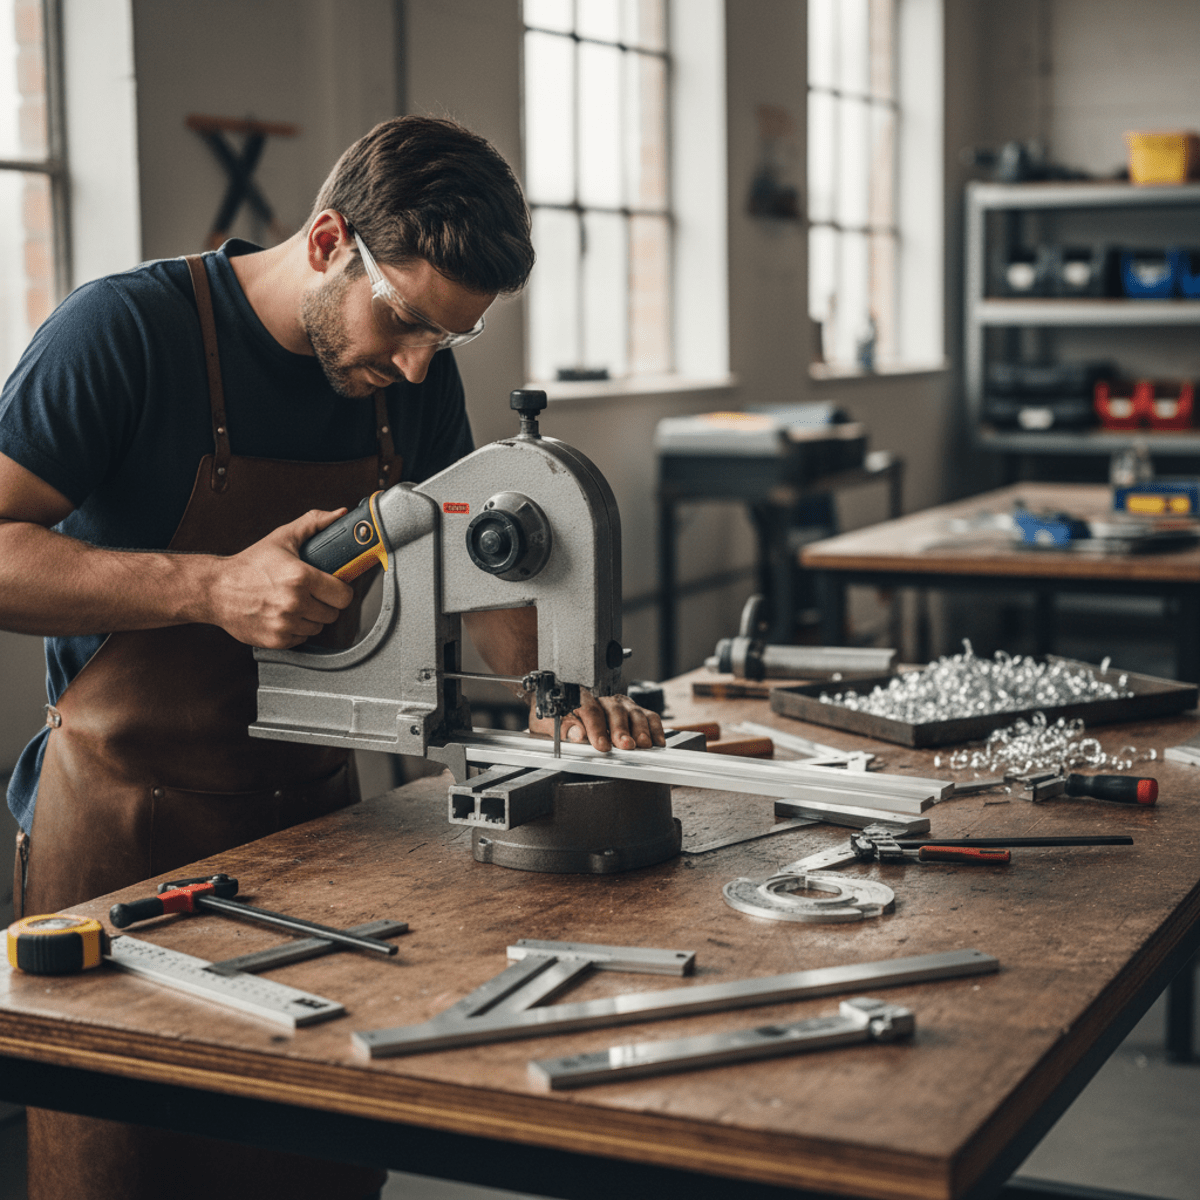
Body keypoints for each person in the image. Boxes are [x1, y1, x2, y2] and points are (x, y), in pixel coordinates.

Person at [0, 115, 663, 1200]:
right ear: (325, 243)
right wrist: (209, 587)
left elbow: (484, 576)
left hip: (316, 831)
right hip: (118, 835)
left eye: (443, 343)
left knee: (314, 1165)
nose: (413, 363)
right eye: (401, 319)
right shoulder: (122, 332)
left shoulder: (415, 374)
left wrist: (567, 694)